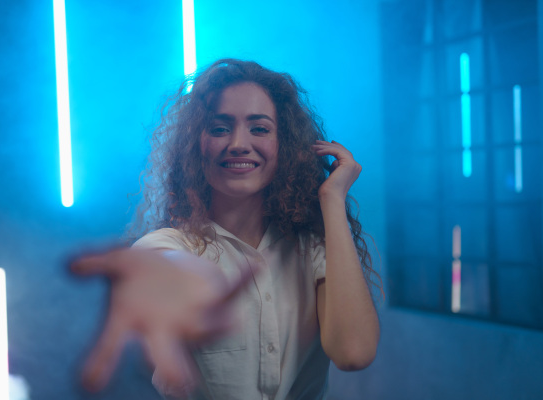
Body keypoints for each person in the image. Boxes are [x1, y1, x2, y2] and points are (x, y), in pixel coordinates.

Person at [71, 58, 382, 399]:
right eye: (219, 128)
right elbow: (166, 269)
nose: (238, 143)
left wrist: (332, 199)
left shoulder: (313, 250)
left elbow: (353, 353)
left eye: (259, 128)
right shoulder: (166, 247)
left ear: (286, 146)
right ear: (195, 146)